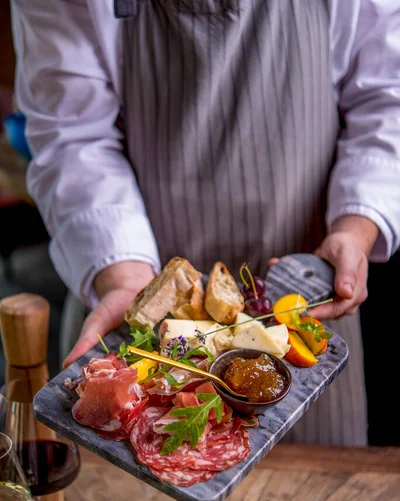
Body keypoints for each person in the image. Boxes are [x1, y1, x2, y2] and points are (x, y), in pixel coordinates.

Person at [11, 0, 400, 445]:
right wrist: (125, 280)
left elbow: (387, 96)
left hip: (303, 310)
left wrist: (356, 228)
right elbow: (71, 137)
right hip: (134, 292)